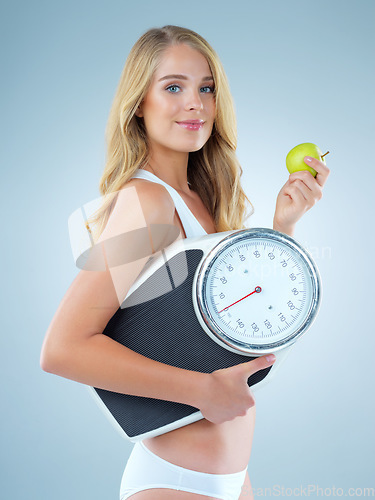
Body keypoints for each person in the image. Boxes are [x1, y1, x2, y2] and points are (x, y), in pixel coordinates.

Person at [40, 25, 330, 500]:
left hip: (233, 480)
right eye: (173, 87)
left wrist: (284, 228)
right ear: (139, 103)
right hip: (173, 483)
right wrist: (202, 391)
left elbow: (244, 319)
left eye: (206, 87)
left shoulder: (205, 199)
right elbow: (64, 348)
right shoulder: (148, 202)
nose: (195, 103)